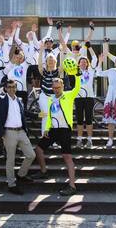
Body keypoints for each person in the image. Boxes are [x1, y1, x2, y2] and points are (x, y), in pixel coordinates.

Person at [32, 59, 81, 196]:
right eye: (54, 87)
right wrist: (46, 128)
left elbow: (77, 87)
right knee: (38, 150)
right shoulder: (51, 99)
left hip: (65, 130)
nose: (56, 89)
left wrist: (77, 74)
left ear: (63, 86)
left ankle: (72, 185)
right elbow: (48, 115)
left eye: (58, 87)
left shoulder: (69, 95)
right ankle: (43, 172)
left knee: (67, 157)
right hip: (53, 130)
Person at [0, 79, 36, 195]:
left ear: (16, 88)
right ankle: (11, 184)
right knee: (11, 159)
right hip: (9, 133)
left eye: (13, 87)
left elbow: (24, 113)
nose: (11, 89)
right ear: (6, 88)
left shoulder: (19, 100)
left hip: (21, 131)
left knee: (31, 155)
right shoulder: (2, 100)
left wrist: (37, 115)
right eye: (9, 87)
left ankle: (21, 175)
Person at [96, 51, 116, 149]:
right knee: (110, 120)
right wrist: (100, 62)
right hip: (111, 96)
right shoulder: (111, 70)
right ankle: (110, 139)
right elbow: (99, 73)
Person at [75, 43, 98, 149]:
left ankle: (89, 140)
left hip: (89, 97)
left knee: (89, 119)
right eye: (81, 62)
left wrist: (89, 47)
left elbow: (94, 58)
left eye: (85, 62)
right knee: (79, 119)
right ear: (78, 64)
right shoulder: (75, 72)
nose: (83, 63)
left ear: (87, 63)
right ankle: (79, 140)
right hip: (78, 98)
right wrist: (77, 51)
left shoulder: (91, 71)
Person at [37, 42, 61, 135]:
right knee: (46, 116)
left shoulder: (58, 72)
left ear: (55, 61)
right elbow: (39, 63)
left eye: (52, 60)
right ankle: (44, 138)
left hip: (55, 98)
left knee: (54, 117)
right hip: (44, 97)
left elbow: (62, 60)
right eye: (48, 60)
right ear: (46, 62)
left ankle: (53, 140)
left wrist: (62, 49)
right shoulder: (44, 72)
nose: (50, 61)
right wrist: (41, 50)